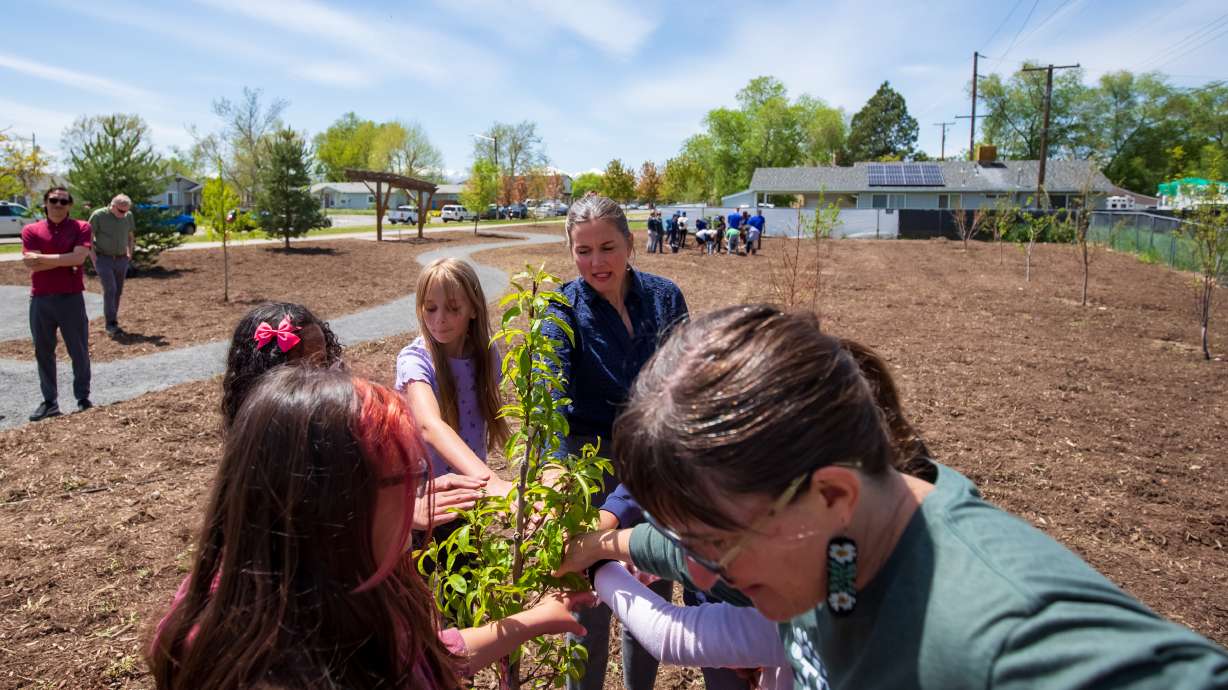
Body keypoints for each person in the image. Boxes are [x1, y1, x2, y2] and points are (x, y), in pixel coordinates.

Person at [556, 305, 1228, 689]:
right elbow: (676, 554)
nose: (703, 574)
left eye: (716, 543)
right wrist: (603, 545)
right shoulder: (841, 553)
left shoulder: (1002, 638)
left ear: (832, 493)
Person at [147, 366, 595, 690]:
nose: (419, 497)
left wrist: (532, 621)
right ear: (335, 503)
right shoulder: (281, 673)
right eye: (407, 479)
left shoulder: (327, 591)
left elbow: (426, 656)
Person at [541, 194, 689, 690]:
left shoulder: (666, 297)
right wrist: (556, 473)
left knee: (650, 585)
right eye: (583, 251)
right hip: (588, 465)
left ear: (630, 242)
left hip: (652, 459)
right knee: (591, 599)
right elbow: (552, 397)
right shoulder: (561, 305)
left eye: (607, 246)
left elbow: (681, 382)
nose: (596, 262)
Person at [221, 301, 484, 531]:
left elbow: (346, 490)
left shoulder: (331, 426)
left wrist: (400, 503)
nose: (318, 376)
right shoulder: (262, 456)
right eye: (298, 367)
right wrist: (400, 512)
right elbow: (316, 519)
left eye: (322, 362)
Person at [395, 258, 515, 494]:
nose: (439, 318)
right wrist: (491, 481)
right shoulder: (414, 361)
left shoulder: (486, 354)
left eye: (453, 308)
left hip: (471, 485)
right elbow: (429, 424)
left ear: (473, 309)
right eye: (430, 308)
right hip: (425, 494)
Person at [22, 186, 93, 421]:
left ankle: (83, 397)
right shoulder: (31, 230)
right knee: (43, 351)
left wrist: (42, 258)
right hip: (41, 299)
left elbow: (79, 257)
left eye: (64, 201)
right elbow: (31, 265)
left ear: (70, 205)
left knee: (79, 350)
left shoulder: (81, 227)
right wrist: (67, 260)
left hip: (71, 298)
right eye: (54, 200)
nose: (58, 205)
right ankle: (50, 402)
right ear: (45, 202)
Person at [88, 194, 135, 337]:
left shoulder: (128, 215)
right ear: (112, 206)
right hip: (104, 259)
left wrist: (129, 253)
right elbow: (88, 237)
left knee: (118, 291)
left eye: (126, 211)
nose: (124, 214)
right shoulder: (98, 215)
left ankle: (113, 319)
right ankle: (111, 324)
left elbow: (131, 236)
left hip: (121, 259)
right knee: (110, 289)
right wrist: (94, 258)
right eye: (121, 211)